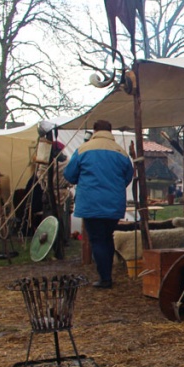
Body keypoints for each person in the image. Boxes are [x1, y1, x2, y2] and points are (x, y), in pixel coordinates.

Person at [64, 119, 134, 288]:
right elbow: (128, 176)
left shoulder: (83, 149)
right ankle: (107, 274)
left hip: (91, 203)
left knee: (97, 240)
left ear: (95, 131)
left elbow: (70, 174)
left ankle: (105, 278)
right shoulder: (121, 152)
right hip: (113, 204)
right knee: (107, 238)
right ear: (110, 131)